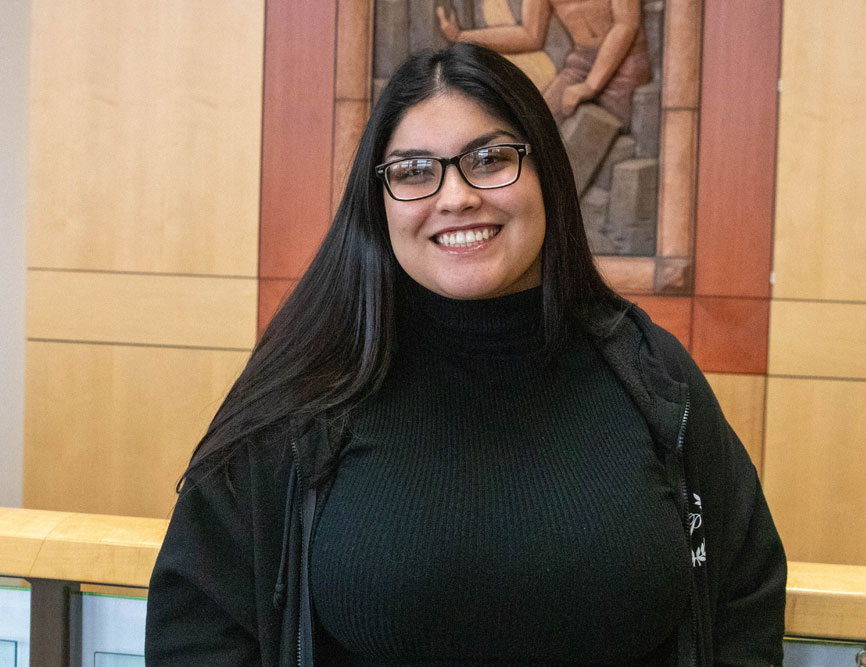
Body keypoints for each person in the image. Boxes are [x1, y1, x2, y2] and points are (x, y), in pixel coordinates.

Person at [145, 43, 785, 666]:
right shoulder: (311, 381)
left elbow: (742, 595)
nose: (455, 197)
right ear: (380, 202)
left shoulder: (651, 375)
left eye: (488, 158)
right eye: (415, 171)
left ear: (546, 175)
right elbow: (200, 622)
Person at [436, 0, 653, 124]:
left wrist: (590, 86)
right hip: (580, 62)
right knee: (535, 125)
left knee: (601, 124)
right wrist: (461, 37)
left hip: (624, 62)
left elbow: (626, 25)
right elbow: (529, 35)